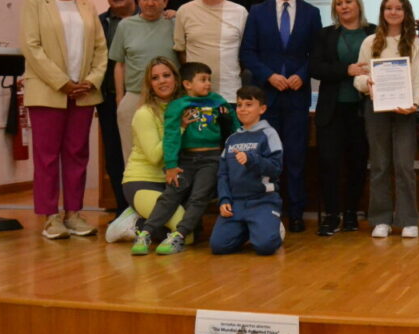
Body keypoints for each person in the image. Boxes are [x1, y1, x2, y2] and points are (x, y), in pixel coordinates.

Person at [19, 0, 107, 239]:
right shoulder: (34, 2)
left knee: (77, 154)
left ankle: (73, 214)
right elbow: (32, 47)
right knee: (46, 157)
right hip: (48, 91)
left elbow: (100, 49)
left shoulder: (86, 5)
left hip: (83, 93)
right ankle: (50, 217)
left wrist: (91, 81)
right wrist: (62, 82)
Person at [240, 0, 322, 234]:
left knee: (296, 158)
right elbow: (247, 52)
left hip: (297, 98)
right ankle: (268, 212)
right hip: (267, 99)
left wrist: (302, 74)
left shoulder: (311, 13)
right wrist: (269, 76)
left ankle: (296, 213)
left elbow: (317, 54)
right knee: (266, 158)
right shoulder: (258, 11)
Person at [131, 61, 238, 255]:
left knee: (199, 196)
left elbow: (234, 127)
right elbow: (171, 137)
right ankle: (145, 232)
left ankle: (179, 236)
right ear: (187, 84)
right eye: (203, 80)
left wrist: (228, 119)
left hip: (211, 158)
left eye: (209, 80)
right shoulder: (177, 106)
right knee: (171, 195)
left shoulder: (218, 101)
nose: (208, 84)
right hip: (186, 160)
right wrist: (171, 165)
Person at [354, 0, 419, 239]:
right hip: (376, 110)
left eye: (398, 8)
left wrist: (414, 103)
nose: (393, 12)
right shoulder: (370, 42)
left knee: (404, 165)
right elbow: (359, 77)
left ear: (406, 13)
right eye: (388, 8)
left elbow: (418, 76)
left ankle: (408, 220)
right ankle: (381, 219)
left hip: (405, 111)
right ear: (382, 12)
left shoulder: (414, 42)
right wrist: (368, 84)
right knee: (380, 165)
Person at [309, 0, 375, 235]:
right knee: (329, 163)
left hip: (362, 110)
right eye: (339, 3)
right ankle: (332, 214)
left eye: (348, 1)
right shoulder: (325, 35)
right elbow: (315, 67)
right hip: (332, 111)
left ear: (358, 4)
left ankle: (350, 214)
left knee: (357, 164)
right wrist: (346, 70)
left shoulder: (373, 32)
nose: (344, 6)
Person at [104, 56, 183, 243]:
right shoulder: (144, 113)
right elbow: (155, 156)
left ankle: (141, 218)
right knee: (183, 230)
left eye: (166, 75)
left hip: (170, 183)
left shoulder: (183, 108)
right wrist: (180, 128)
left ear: (176, 79)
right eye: (155, 78)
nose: (162, 81)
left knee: (192, 229)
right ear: (150, 85)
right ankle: (132, 224)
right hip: (142, 182)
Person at [209, 84, 284, 256]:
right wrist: (224, 199)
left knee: (265, 247)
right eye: (239, 105)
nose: (242, 109)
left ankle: (273, 227)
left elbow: (276, 168)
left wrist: (252, 160)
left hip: (262, 201)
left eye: (249, 105)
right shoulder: (232, 139)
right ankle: (248, 229)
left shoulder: (269, 134)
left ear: (262, 109)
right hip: (236, 204)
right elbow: (223, 174)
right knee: (218, 246)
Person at [109, 0, 177, 163]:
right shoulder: (125, 26)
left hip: (169, 100)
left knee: (169, 155)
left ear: (165, 1)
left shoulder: (175, 23)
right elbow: (119, 64)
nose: (150, 3)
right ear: (138, 0)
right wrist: (120, 99)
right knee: (132, 157)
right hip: (134, 97)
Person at [173, 0, 248, 103]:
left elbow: (245, 53)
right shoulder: (184, 11)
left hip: (229, 93)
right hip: (195, 96)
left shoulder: (240, 12)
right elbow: (181, 51)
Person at [97, 0, 136, 215]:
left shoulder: (152, 17)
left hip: (145, 99)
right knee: (114, 156)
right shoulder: (99, 23)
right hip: (110, 99)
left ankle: (148, 210)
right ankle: (123, 211)